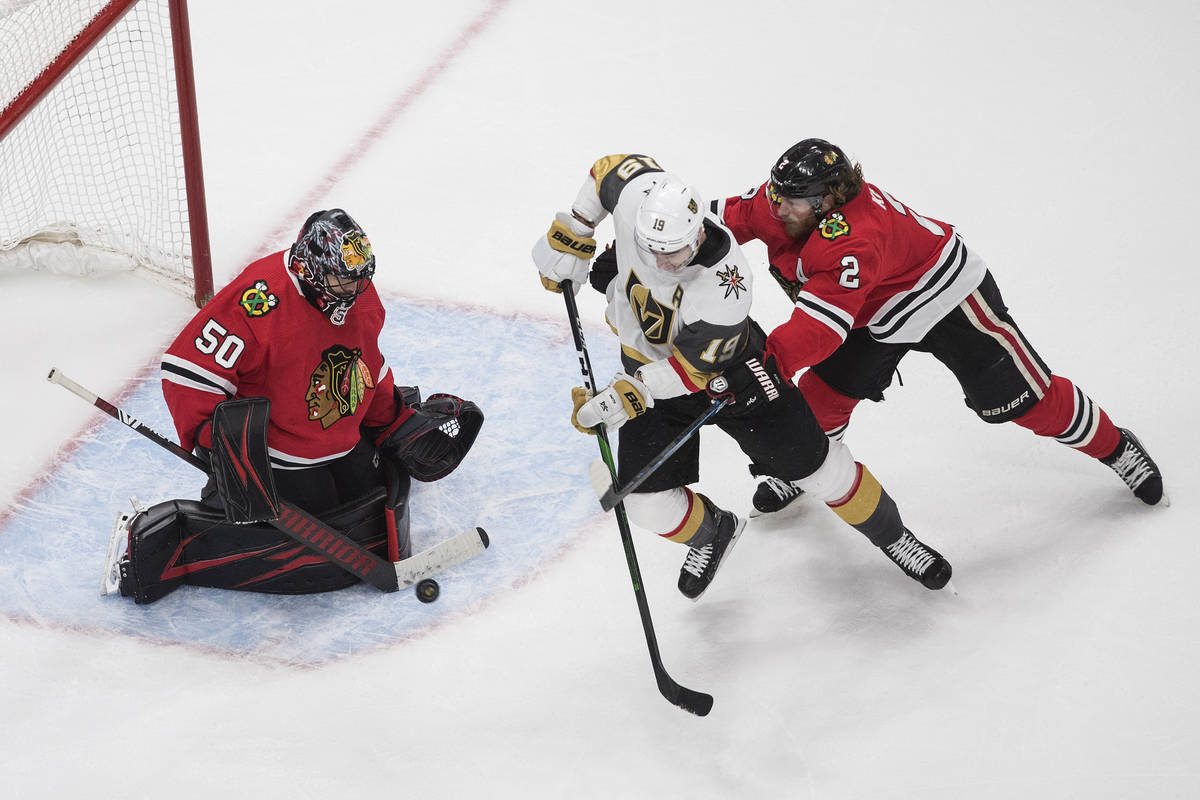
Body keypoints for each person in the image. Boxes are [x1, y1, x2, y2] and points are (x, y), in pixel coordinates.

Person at [532, 154, 953, 598]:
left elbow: (691, 372)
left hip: (735, 376)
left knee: (823, 472)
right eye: (650, 248)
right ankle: (712, 533)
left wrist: (628, 396)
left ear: (697, 234)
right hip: (645, 365)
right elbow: (607, 171)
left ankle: (894, 537)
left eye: (674, 251)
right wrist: (575, 231)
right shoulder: (642, 198)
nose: (662, 261)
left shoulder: (726, 285)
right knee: (644, 504)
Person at [713, 139, 1165, 514]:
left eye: (791, 201)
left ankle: (1116, 446)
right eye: (776, 195)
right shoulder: (782, 204)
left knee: (1028, 398)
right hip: (870, 303)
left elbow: (819, 328)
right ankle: (812, 468)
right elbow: (715, 221)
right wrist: (659, 234)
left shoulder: (851, 238)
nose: (778, 208)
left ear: (829, 198)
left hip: (944, 294)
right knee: (821, 398)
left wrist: (764, 364)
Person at [104, 208, 483, 603]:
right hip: (280, 455)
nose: (354, 291)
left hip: (341, 438)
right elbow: (187, 372)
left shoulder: (357, 295)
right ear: (309, 269)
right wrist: (220, 446)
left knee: (369, 501)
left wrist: (391, 420)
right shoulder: (257, 303)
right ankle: (177, 535)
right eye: (342, 280)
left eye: (360, 279)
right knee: (317, 535)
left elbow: (366, 363)